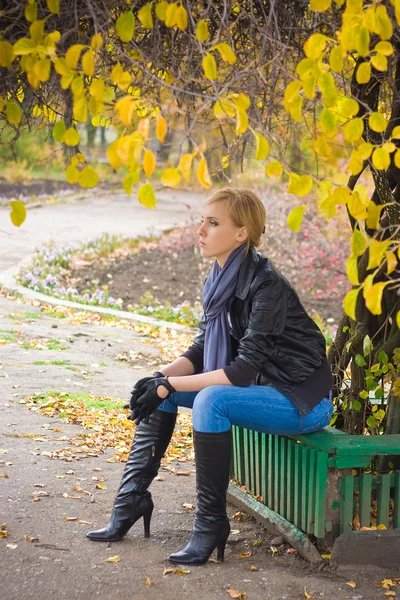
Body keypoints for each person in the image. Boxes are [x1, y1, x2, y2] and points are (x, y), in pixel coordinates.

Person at [87, 187, 334, 565]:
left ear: (241, 233)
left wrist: (167, 385)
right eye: (202, 221)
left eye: (213, 223)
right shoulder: (219, 279)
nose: (200, 230)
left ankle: (210, 525)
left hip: (301, 400)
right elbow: (201, 349)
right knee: (168, 391)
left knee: (210, 398)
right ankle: (130, 502)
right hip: (259, 392)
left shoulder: (267, 285)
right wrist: (158, 378)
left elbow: (240, 371)